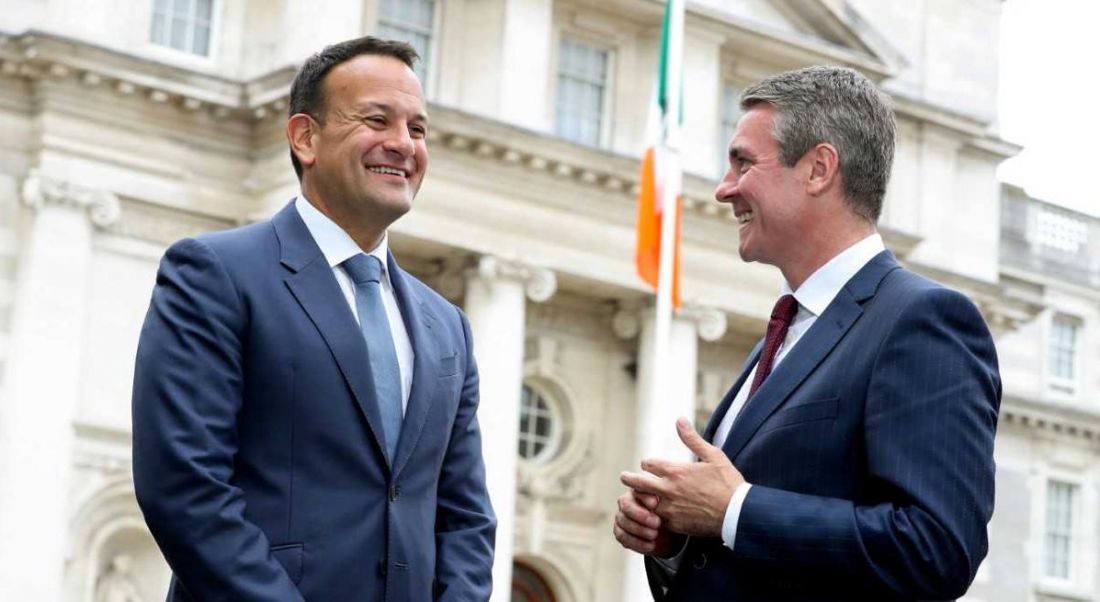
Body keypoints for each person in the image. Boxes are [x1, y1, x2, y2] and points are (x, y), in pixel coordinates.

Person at [614, 66, 1000, 601]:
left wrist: (734, 510)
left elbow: (934, 549)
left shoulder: (922, 321)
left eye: (744, 163)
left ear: (818, 169)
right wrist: (678, 540)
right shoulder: (783, 334)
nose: (726, 190)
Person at [132, 36, 495, 601]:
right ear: (305, 137)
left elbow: (466, 517)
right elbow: (185, 487)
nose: (403, 144)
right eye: (377, 120)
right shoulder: (215, 275)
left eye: (417, 129)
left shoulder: (447, 325)